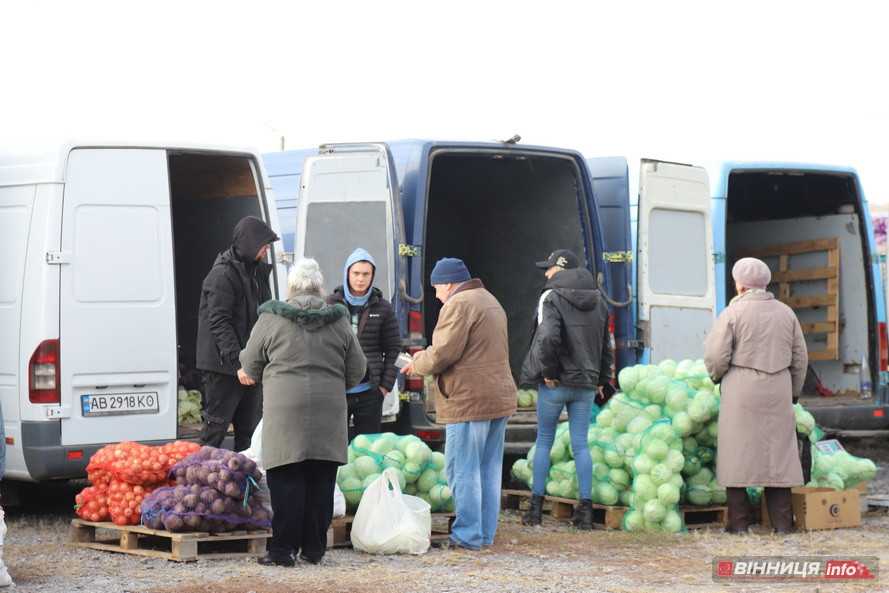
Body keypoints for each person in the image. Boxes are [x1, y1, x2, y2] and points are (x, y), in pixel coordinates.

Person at [239, 258, 367, 566]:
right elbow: (358, 369)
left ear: (291, 287)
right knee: (321, 480)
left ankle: (283, 551)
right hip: (329, 412)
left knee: (286, 481)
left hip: (285, 412)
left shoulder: (271, 318)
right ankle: (314, 549)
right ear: (320, 287)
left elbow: (250, 363)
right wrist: (335, 383)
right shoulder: (337, 320)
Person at [401, 258, 515, 550]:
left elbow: (443, 354)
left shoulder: (459, 304)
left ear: (448, 284)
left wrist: (417, 363)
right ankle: (484, 533)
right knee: (489, 469)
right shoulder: (490, 300)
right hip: (497, 397)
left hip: (468, 400)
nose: (437, 295)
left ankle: (467, 535)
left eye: (437, 288)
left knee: (462, 469)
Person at [704, 257, 808, 535]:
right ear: (765, 283)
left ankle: (738, 525)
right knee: (778, 457)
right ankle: (783, 525)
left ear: (739, 285)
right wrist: (793, 392)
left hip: (741, 389)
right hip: (778, 389)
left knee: (737, 453)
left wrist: (717, 376)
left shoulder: (731, 314)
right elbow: (800, 358)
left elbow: (716, 355)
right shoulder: (786, 313)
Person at [519, 249, 613, 530]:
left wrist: (548, 372)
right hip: (586, 383)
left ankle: (535, 510)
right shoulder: (599, 300)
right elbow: (604, 342)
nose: (546, 273)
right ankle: (585, 513)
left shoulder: (551, 297)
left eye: (548, 269)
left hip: (556, 382)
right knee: (581, 444)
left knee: (545, 441)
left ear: (559, 270)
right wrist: (602, 377)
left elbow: (547, 337)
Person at [196, 216, 279, 451]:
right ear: (251, 244)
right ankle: (197, 483)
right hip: (223, 368)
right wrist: (238, 364)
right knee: (215, 429)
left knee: (250, 432)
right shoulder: (222, 275)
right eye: (264, 245)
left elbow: (266, 314)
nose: (266, 250)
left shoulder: (258, 272)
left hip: (249, 364)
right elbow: (219, 322)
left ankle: (246, 483)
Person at [328, 248, 401, 440]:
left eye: (366, 274)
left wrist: (385, 385)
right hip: (337, 391)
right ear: (347, 273)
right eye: (356, 273)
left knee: (368, 449)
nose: (360, 279)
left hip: (370, 392)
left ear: (372, 276)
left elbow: (394, 348)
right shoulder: (330, 305)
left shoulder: (383, 308)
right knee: (334, 447)